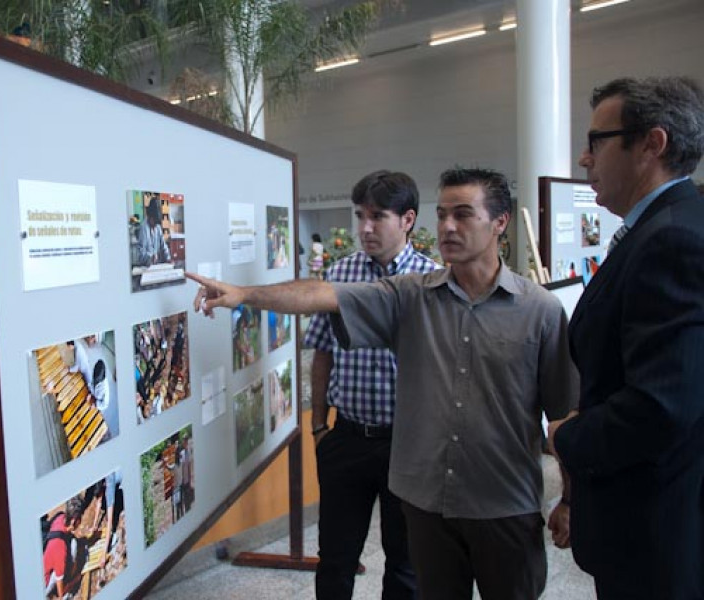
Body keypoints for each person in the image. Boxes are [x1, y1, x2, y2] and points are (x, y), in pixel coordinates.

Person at [189, 167, 578, 600]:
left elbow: (564, 414)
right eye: (443, 214)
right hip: (429, 504)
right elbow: (324, 295)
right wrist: (245, 294)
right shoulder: (410, 295)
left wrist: (569, 498)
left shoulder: (540, 311)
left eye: (463, 215)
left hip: (505, 505)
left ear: (500, 222)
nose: (448, 226)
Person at [548, 76, 704, 600]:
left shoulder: (673, 240)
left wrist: (565, 436)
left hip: (656, 531)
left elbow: (660, 405)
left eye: (597, 141)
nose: (584, 159)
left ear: (650, 145)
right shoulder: (662, 227)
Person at [305, 170, 439, 600]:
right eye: (360, 215)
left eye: (377, 216)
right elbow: (322, 352)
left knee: (406, 563)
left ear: (408, 220)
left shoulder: (433, 281)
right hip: (347, 438)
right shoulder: (339, 276)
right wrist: (319, 427)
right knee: (336, 560)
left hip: (409, 444)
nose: (364, 228)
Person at [135, 194, 172, 267]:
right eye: (154, 221)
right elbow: (140, 255)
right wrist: (150, 257)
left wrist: (168, 258)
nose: (155, 225)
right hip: (146, 267)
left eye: (157, 223)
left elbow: (163, 245)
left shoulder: (157, 227)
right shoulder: (143, 228)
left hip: (156, 266)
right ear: (149, 216)